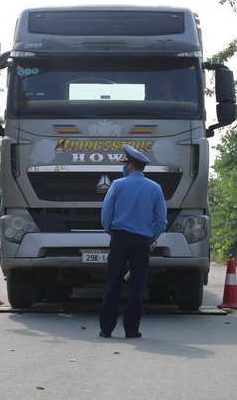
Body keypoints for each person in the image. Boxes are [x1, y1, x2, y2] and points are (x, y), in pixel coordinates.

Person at [99, 145, 167, 338]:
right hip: (142, 242)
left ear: (129, 165)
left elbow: (106, 213)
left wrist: (110, 231)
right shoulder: (155, 188)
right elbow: (161, 220)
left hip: (120, 239)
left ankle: (106, 328)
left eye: (124, 163)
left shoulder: (118, 185)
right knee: (137, 285)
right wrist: (153, 237)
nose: (123, 166)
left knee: (113, 283)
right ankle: (131, 329)